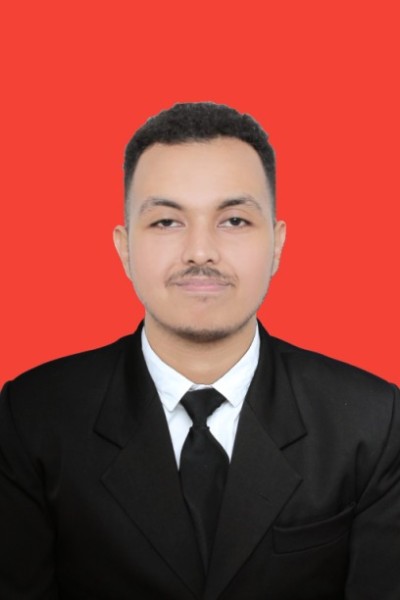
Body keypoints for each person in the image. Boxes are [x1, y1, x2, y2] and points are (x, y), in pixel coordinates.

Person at [0, 102, 399, 600]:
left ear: (277, 245)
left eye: (234, 220)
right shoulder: (31, 416)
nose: (200, 252)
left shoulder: (372, 422)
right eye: (167, 222)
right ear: (124, 248)